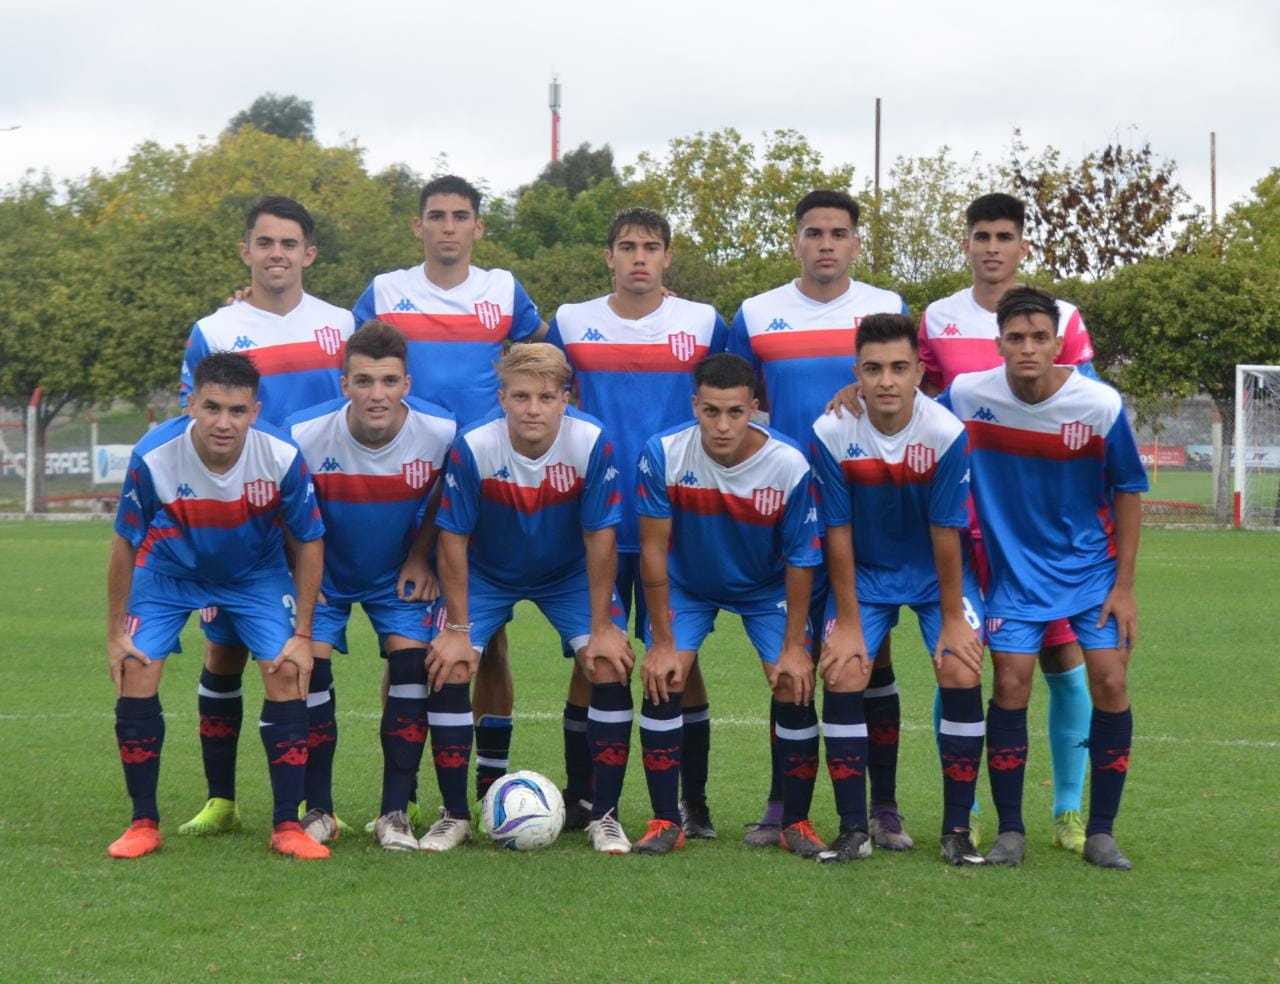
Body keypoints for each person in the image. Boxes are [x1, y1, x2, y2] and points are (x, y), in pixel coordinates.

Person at [830, 193, 1101, 851]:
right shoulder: (938, 320)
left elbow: (1082, 412)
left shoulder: (1061, 317)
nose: (991, 247)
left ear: (1022, 246)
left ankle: (1068, 809)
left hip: (1035, 524)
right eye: (981, 235)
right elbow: (908, 393)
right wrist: (856, 395)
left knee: (1062, 657)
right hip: (959, 521)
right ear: (968, 244)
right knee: (965, 656)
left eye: (1004, 236)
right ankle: (968, 810)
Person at [354, 175, 548, 807]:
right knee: (406, 642)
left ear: (477, 228)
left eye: (460, 216)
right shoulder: (385, 291)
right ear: (418, 226)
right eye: (435, 215)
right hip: (406, 487)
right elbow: (349, 355)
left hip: (487, 483)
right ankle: (402, 789)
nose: (447, 227)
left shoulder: (504, 291)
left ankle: (491, 778)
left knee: (486, 640)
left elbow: (546, 359)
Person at [938, 286, 1146, 869]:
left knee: (1109, 682)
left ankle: (1100, 831)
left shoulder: (1098, 404)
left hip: (1090, 572)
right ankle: (1010, 832)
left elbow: (1128, 489)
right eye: (1015, 338)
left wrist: (1124, 586)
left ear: (1059, 343)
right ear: (998, 343)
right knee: (1010, 685)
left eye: (1039, 338)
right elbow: (910, 415)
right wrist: (855, 391)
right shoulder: (965, 395)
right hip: (1013, 575)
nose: (1027, 348)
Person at [728, 189, 910, 848]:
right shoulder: (755, 314)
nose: (826, 243)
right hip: (784, 508)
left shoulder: (886, 307)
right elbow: (734, 396)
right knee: (793, 655)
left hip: (868, 503)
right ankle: (784, 801)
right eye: (814, 232)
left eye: (839, 232)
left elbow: (918, 388)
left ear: (857, 242)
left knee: (872, 653)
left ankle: (883, 806)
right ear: (796, 240)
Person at [546, 206, 728, 838]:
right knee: (590, 654)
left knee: (679, 655)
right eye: (627, 246)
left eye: (652, 246)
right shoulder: (570, 321)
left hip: (672, 520)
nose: (639, 257)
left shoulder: (702, 322)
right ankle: (582, 796)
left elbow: (737, 391)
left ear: (668, 257)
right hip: (595, 517)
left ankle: (692, 801)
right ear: (610, 257)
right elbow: (537, 382)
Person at [176, 196, 355, 838]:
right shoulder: (215, 330)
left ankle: (316, 807)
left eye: (289, 244)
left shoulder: (341, 322)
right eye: (265, 243)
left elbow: (362, 404)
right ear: (246, 251)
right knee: (223, 654)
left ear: (308, 253)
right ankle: (221, 799)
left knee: (311, 650)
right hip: (241, 521)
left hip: (319, 516)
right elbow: (193, 418)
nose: (276, 254)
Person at [106, 352, 326, 860]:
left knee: (287, 669)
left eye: (237, 410)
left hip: (255, 573)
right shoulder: (154, 455)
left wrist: (304, 633)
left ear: (255, 410)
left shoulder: (281, 455)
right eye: (212, 408)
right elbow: (123, 542)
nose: (223, 422)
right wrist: (116, 632)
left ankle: (287, 827)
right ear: (191, 405)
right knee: (136, 669)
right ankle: (143, 823)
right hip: (169, 570)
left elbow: (310, 540)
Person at [429, 343, 636, 853]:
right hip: (488, 572)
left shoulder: (591, 441)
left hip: (565, 573)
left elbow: (600, 535)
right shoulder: (473, 445)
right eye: (520, 396)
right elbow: (452, 537)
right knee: (451, 665)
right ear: (501, 398)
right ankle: (456, 813)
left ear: (566, 398)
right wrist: (456, 631)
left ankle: (602, 813)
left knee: (607, 663)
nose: (533, 408)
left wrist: (602, 626)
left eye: (546, 396)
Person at [810, 314, 985, 865]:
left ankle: (957, 831)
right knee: (844, 668)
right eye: (873, 368)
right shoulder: (831, 432)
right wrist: (850, 622)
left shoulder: (945, 432)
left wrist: (955, 618)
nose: (886, 380)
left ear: (918, 372)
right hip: (864, 576)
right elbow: (835, 531)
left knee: (959, 667)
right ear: (856, 373)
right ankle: (854, 829)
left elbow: (947, 530)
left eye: (899, 368)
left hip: (938, 578)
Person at [632, 353, 822, 856]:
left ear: (754, 408)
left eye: (735, 412)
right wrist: (662, 643)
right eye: (711, 411)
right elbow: (652, 549)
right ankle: (666, 819)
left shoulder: (788, 462)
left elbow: (803, 558)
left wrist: (795, 647)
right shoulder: (663, 452)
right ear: (694, 404)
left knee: (792, 681)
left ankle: (795, 822)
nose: (722, 425)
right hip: (687, 583)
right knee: (665, 676)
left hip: (766, 587)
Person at [285, 321, 460, 850]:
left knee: (411, 672)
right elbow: (284, 515)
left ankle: (394, 814)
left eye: (388, 381)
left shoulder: (442, 432)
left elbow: (442, 499)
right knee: (307, 675)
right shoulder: (301, 435)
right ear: (344, 385)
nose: (376, 394)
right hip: (326, 574)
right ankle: (319, 811)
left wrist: (418, 554)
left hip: (395, 573)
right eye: (363, 381)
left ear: (407, 383)